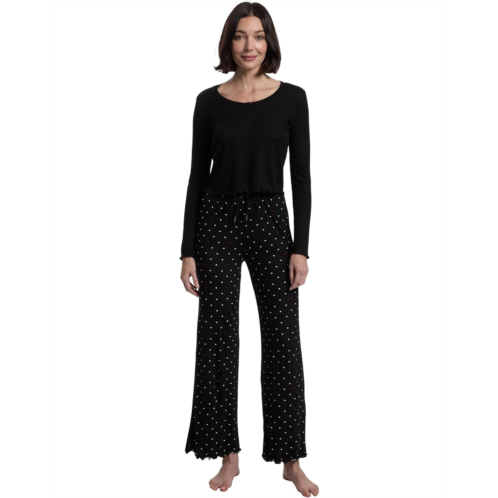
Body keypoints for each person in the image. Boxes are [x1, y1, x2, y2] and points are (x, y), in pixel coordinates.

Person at [180, 3, 318, 496]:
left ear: (269, 42)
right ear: (229, 43)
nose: (249, 46)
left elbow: (301, 179)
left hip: (270, 219)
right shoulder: (208, 102)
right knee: (218, 337)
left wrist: (301, 248)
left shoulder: (293, 99)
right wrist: (187, 250)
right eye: (240, 36)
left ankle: (290, 459)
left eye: (258, 36)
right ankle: (228, 456)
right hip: (216, 219)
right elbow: (197, 177)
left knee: (282, 338)